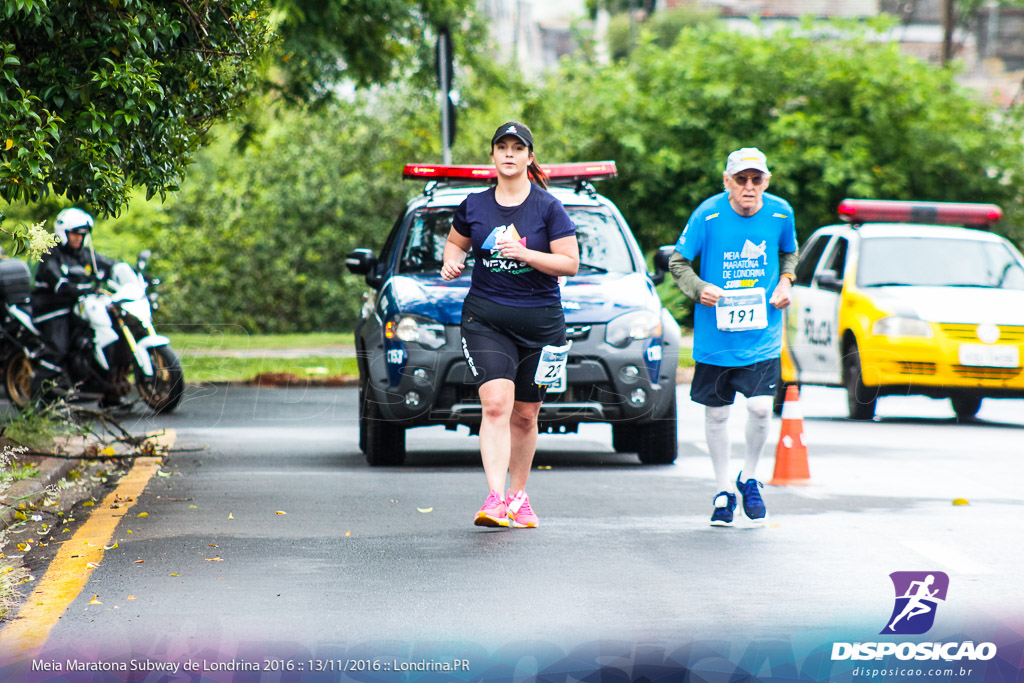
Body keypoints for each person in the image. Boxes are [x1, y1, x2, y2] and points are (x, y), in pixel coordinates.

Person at [440, 121, 579, 528]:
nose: (509, 153)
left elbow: (569, 263)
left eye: (518, 148)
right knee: (497, 405)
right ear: (493, 155)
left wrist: (524, 253)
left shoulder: (547, 207)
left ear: (529, 157)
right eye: (502, 146)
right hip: (486, 318)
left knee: (525, 414)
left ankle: (519, 496)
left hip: (541, 324)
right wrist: (452, 260)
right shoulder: (474, 204)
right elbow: (455, 242)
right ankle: (495, 498)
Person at [668, 147, 798, 527]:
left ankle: (750, 476)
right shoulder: (707, 215)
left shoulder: (780, 212)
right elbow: (678, 261)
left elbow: (789, 253)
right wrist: (698, 288)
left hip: (763, 333)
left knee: (759, 408)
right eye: (741, 179)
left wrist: (786, 281)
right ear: (727, 182)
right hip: (716, 336)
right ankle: (723, 489)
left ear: (766, 181)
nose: (749, 186)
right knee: (718, 414)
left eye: (757, 179)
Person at [32, 207, 117, 406]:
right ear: (63, 233)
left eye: (82, 234)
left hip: (76, 308)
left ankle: (106, 390)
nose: (79, 238)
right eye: (75, 234)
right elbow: (56, 279)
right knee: (58, 350)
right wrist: (72, 287)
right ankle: (37, 402)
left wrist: (126, 272)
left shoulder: (84, 254)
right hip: (51, 310)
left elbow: (109, 265)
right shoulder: (50, 253)